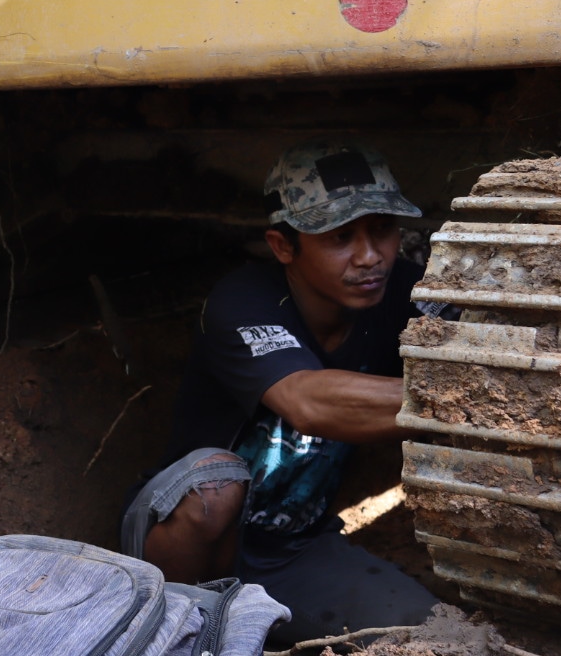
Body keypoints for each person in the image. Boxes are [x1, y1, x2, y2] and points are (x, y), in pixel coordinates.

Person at [120, 141, 441, 645]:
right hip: (188, 538)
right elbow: (308, 401)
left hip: (294, 549)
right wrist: (472, 401)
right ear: (283, 246)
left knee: (429, 636)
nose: (370, 256)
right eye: (340, 237)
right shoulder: (242, 300)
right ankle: (167, 626)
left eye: (382, 229)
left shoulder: (401, 288)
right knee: (214, 489)